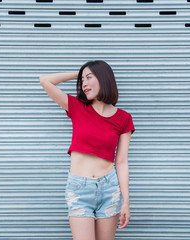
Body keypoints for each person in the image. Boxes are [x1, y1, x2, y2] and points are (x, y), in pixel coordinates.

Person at [39, 60, 135, 240]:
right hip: (79, 189)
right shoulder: (77, 107)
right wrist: (80, 73)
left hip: (110, 188)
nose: (83, 83)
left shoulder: (124, 118)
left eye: (89, 78)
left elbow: (121, 162)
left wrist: (126, 201)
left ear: (104, 78)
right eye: (82, 80)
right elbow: (44, 80)